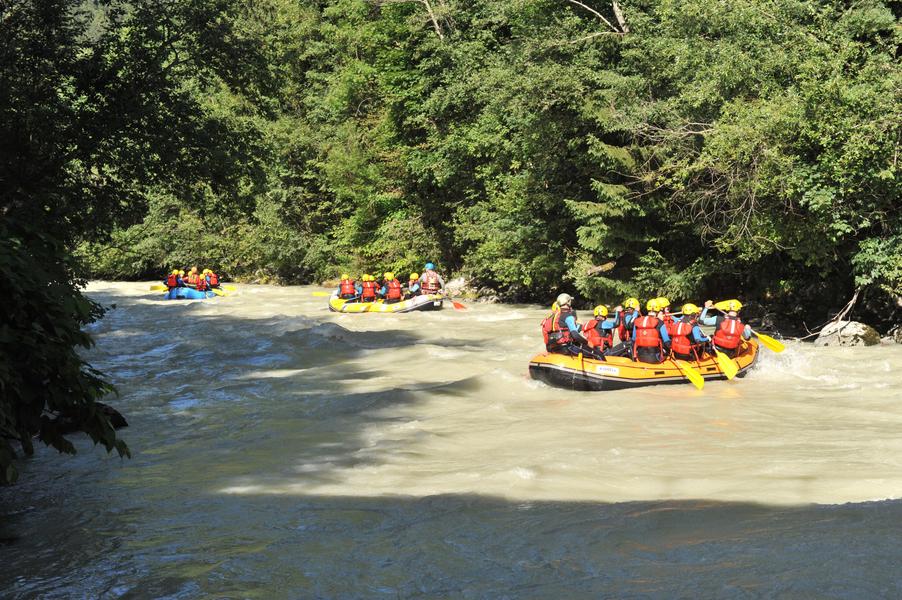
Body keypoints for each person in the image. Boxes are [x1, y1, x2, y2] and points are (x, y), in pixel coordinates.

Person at [541, 293, 604, 359]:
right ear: (568, 302)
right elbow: (575, 335)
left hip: (552, 348)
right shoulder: (568, 316)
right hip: (566, 348)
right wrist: (587, 342)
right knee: (599, 354)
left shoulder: (552, 317)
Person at [631, 298, 671, 363]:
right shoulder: (660, 322)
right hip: (655, 358)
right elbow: (667, 342)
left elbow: (633, 339)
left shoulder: (638, 321)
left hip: (640, 357)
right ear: (658, 311)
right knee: (667, 348)